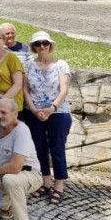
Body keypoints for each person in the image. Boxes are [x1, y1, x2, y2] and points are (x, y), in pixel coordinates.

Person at [23, 31, 71, 206]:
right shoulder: (29, 65)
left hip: (57, 112)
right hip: (35, 112)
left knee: (57, 148)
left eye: (45, 43)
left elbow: (64, 89)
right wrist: (35, 110)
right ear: (33, 47)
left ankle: (59, 186)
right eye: (38, 44)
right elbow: (25, 89)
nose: (42, 46)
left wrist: (52, 108)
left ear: (50, 45)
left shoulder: (61, 64)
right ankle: (45, 181)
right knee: (39, 148)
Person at [0, 27, 25, 111]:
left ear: (4, 41)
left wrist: (1, 101)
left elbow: (18, 84)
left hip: (9, 104)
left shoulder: (11, 57)